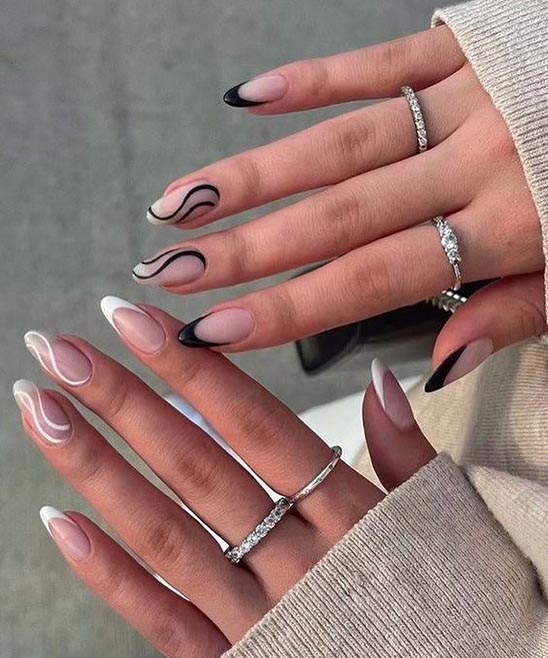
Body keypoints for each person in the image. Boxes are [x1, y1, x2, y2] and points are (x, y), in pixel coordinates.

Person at [13, 0, 548, 655]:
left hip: (475, 575)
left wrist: (413, 633)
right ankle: (240, 456)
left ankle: (236, 461)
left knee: (227, 543)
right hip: (478, 426)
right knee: (336, 454)